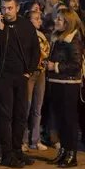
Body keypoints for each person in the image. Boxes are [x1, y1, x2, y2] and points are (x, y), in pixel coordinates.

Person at [0, 0, 40, 168]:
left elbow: (35, 50)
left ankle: (17, 150)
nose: (6, 12)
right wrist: (0, 31)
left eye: (10, 8)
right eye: (3, 8)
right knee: (5, 116)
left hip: (21, 76)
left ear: (17, 8)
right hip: (2, 78)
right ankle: (6, 154)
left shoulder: (25, 26)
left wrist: (29, 71)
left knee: (21, 115)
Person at [46, 8, 84, 168]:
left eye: (60, 20)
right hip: (56, 82)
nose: (56, 21)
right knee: (60, 119)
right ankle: (63, 150)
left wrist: (55, 66)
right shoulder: (57, 37)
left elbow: (76, 64)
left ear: (68, 23)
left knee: (69, 120)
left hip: (68, 83)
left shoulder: (73, 39)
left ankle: (71, 153)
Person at [22, 8, 49, 152]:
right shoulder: (24, 36)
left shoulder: (42, 36)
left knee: (37, 108)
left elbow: (46, 54)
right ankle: (23, 140)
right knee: (25, 107)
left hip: (41, 73)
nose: (40, 21)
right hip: (29, 73)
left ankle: (35, 140)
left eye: (40, 18)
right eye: (36, 18)